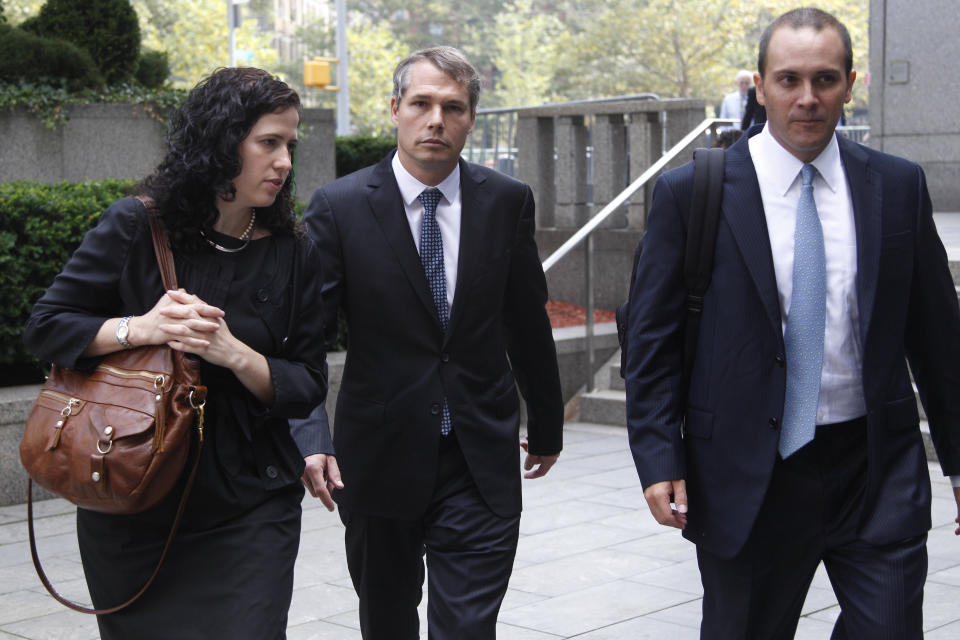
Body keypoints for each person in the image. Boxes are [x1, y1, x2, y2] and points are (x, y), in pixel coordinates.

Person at [626, 7, 960, 639]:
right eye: (788, 80)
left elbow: (939, 337)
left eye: (825, 80)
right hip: (749, 474)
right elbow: (652, 340)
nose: (807, 99)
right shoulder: (694, 194)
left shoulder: (897, 186)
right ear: (760, 85)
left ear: (850, 84)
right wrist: (658, 452)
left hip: (874, 470)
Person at [23, 67, 327, 639]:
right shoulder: (136, 225)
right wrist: (141, 328)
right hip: (134, 498)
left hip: (250, 504)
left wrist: (234, 353)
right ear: (221, 140)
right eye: (268, 142)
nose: (285, 161)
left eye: (290, 144)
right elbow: (46, 326)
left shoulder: (295, 251)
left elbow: (308, 383)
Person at [291, 46, 564, 639]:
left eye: (453, 106)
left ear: (470, 119)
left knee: (467, 627)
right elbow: (305, 340)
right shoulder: (338, 208)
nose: (436, 119)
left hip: (479, 456)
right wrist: (311, 435)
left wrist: (547, 423)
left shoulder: (507, 201)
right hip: (380, 456)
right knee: (387, 620)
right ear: (395, 109)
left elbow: (526, 318)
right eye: (421, 104)